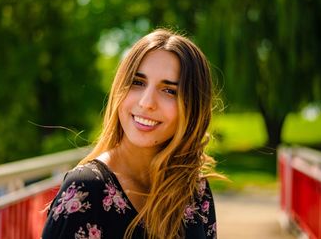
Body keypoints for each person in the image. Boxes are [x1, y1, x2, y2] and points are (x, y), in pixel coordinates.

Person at [41, 29, 218, 239]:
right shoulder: (86, 190)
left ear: (193, 107)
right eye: (138, 82)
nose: (146, 103)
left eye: (169, 90)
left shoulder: (194, 189)